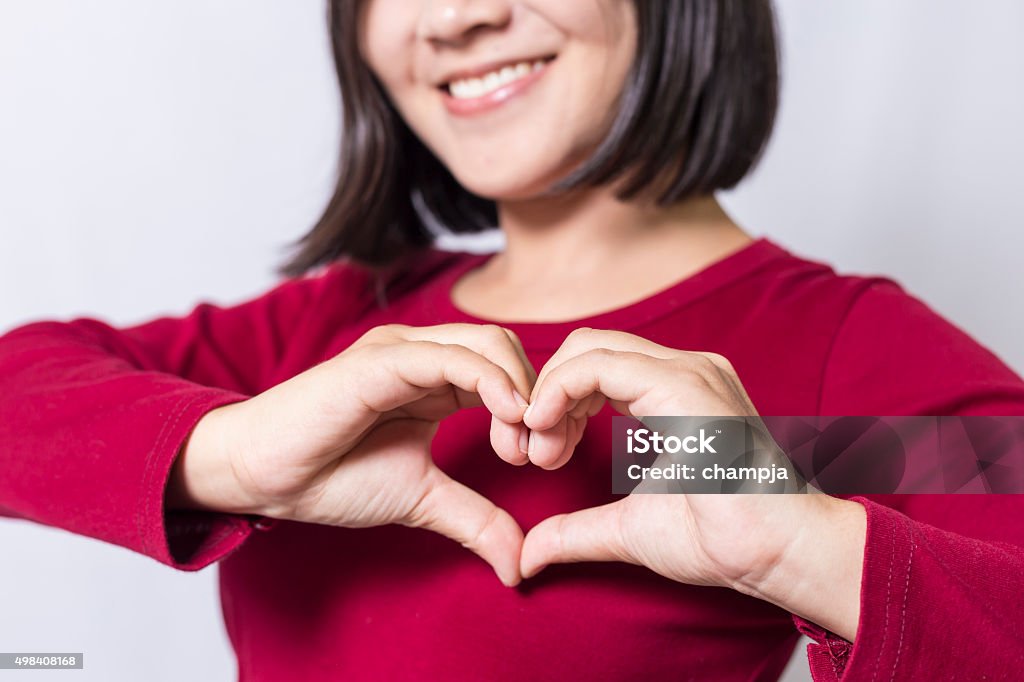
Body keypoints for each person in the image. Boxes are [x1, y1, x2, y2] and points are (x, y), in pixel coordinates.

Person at [1, 1, 1022, 679]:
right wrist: (233, 454)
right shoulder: (333, 332)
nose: (453, 16)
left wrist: (803, 545)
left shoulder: (825, 364)